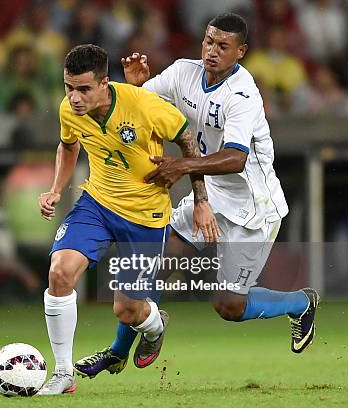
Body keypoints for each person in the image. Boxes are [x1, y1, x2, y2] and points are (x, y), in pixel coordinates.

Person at [76, 13, 319, 380]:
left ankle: (301, 302)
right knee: (152, 261)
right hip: (209, 191)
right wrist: (136, 86)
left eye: (223, 46)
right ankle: (117, 351)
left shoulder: (243, 95)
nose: (211, 51)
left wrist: (183, 167)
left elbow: (237, 159)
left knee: (228, 306)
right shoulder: (181, 73)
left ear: (241, 51)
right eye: (208, 41)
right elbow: (140, 107)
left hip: (252, 209)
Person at [36, 44, 218, 395]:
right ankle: (62, 374)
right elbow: (68, 145)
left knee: (127, 310)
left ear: (105, 83)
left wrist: (201, 200)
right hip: (97, 204)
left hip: (145, 215)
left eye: (83, 89)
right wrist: (57, 188)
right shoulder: (69, 109)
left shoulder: (143, 105)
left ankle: (154, 326)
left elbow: (188, 144)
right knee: (59, 273)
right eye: (68, 88)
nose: (74, 98)